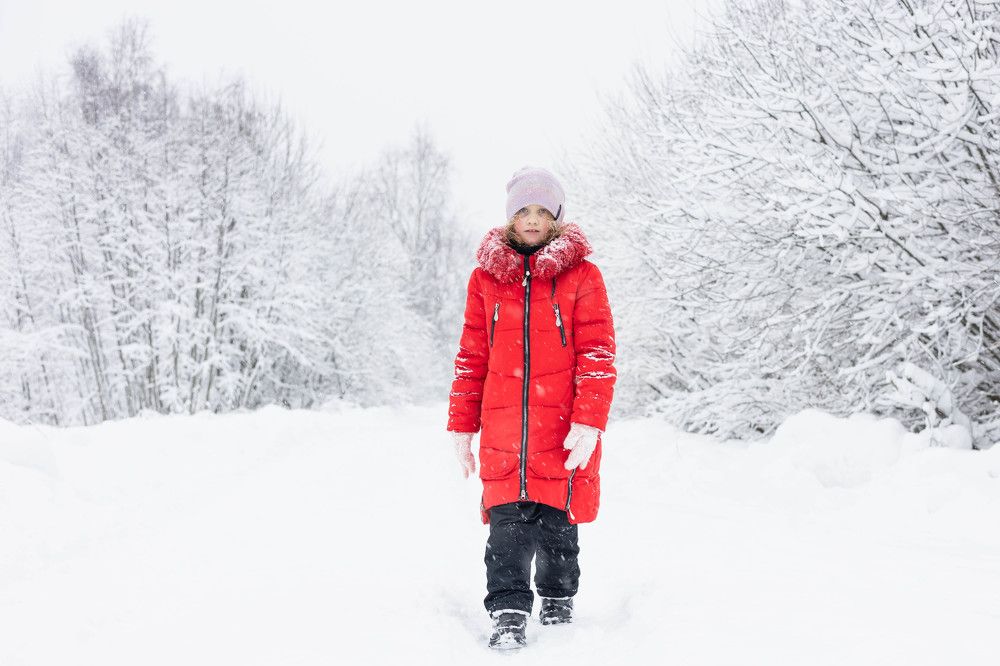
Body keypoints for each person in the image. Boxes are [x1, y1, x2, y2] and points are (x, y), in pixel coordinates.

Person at [447, 166, 616, 649]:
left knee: (558, 523)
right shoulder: (485, 279)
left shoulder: (582, 276)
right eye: (524, 210)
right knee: (507, 529)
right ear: (510, 216)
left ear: (557, 216)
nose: (534, 219)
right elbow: (471, 356)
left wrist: (589, 420)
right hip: (503, 430)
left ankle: (559, 598)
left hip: (561, 427)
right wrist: (462, 426)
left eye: (543, 211)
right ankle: (508, 611)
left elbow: (598, 354)